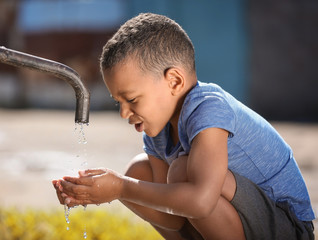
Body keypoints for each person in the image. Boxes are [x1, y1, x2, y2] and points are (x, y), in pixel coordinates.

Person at [52, 13, 315, 240]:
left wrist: (122, 187)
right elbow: (173, 219)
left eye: (131, 99)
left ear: (174, 81)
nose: (123, 113)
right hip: (239, 218)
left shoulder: (209, 108)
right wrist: (109, 191)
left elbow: (200, 201)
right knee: (139, 171)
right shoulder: (158, 132)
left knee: (181, 174)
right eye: (118, 101)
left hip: (287, 227)